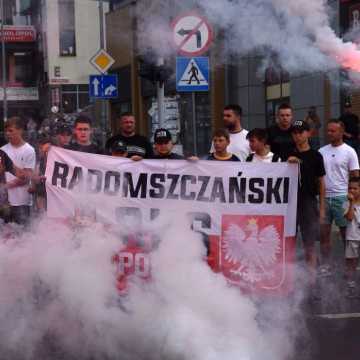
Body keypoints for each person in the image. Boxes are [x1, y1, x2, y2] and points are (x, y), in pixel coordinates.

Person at [319, 119, 360, 277]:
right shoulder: (322, 151)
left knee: (347, 236)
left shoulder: (349, 151)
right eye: (328, 131)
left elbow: (356, 176)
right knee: (324, 236)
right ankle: (326, 265)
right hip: (324, 198)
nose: (329, 133)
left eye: (333, 131)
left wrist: (354, 199)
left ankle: (350, 266)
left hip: (342, 198)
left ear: (341, 132)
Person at [288, 120, 326, 282]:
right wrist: (288, 161)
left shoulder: (316, 155)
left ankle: (312, 280)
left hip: (308, 202)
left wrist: (322, 207)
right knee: (289, 242)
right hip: (289, 204)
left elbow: (321, 182)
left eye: (301, 132)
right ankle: (288, 280)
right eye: (295, 132)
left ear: (308, 133)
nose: (298, 135)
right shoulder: (287, 154)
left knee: (309, 243)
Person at [1, 117, 36, 225]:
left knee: (22, 237)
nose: (7, 133)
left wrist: (4, 187)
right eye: (6, 131)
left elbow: (26, 178)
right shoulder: (2, 150)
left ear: (20, 130)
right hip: (4, 203)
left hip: (22, 201)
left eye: (11, 130)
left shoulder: (29, 150)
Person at [344, 177, 360, 298]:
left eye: (355, 188)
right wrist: (352, 203)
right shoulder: (346, 202)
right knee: (351, 263)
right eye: (350, 188)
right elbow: (349, 218)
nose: (352, 190)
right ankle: (351, 286)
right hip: (352, 237)